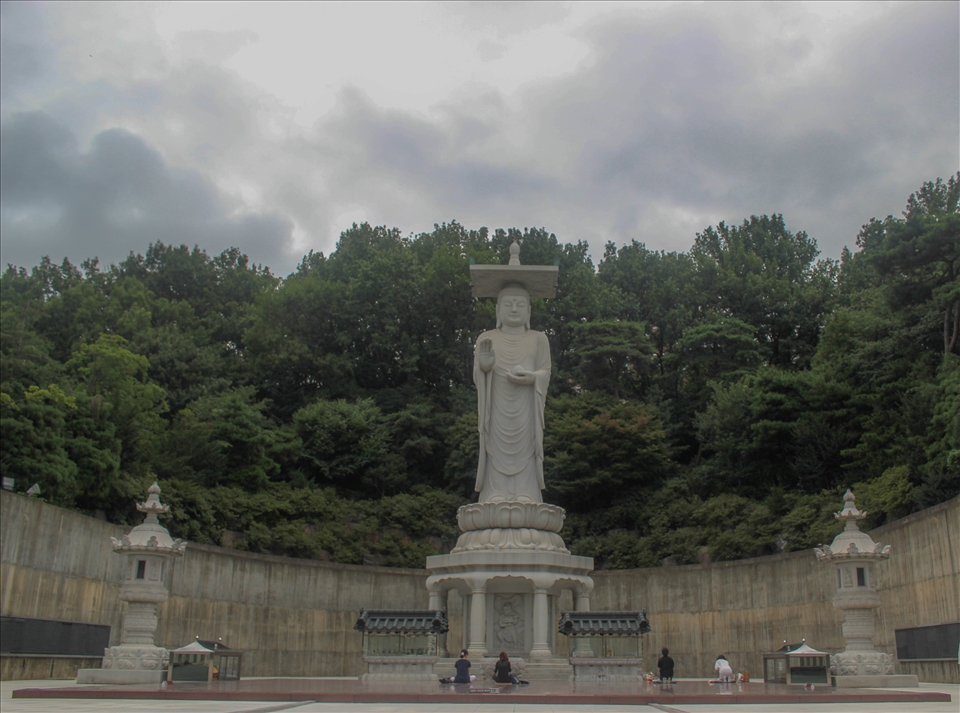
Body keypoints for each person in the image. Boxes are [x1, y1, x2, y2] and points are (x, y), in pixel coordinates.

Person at [474, 284, 551, 504]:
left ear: (529, 311)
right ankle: (494, 493)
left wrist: (534, 377)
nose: (514, 309)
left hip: (526, 406)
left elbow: (546, 371)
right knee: (495, 447)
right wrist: (485, 367)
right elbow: (477, 377)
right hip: (496, 407)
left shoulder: (539, 338)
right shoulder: (486, 338)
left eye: (521, 304)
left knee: (526, 447)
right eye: (508, 304)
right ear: (498, 310)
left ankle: (526, 493)